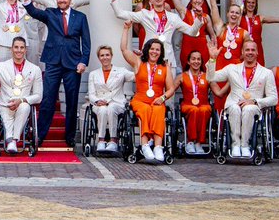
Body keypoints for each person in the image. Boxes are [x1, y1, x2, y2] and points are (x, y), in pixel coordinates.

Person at [25, 0, 90, 147]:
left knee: (72, 100)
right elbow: (34, 12)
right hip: (53, 62)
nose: (62, 1)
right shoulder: (51, 13)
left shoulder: (80, 17)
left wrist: (83, 61)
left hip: (73, 64)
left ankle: (70, 136)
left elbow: (86, 42)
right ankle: (40, 135)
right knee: (48, 99)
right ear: (56, 0)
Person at [206, 39, 277, 158]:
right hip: (234, 103)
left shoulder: (266, 73)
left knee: (249, 109)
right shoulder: (231, 68)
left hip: (254, 107)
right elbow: (211, 77)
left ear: (257, 52)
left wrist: (254, 101)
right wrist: (212, 59)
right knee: (235, 108)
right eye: (247, 50)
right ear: (242, 52)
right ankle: (235, 145)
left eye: (253, 50)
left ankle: (245, 145)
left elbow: (273, 98)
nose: (250, 52)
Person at [118, 26, 175, 163]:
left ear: (161, 52)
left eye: (157, 49)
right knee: (145, 110)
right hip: (140, 100)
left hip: (157, 100)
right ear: (147, 50)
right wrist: (125, 29)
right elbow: (124, 49)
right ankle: (144, 145)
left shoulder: (164, 67)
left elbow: (171, 89)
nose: (154, 52)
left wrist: (162, 98)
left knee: (158, 110)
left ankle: (158, 147)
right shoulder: (139, 62)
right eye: (152, 48)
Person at [110, 0, 200, 68]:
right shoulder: (145, 14)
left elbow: (192, 32)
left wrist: (199, 18)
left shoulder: (174, 18)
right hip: (149, 59)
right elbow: (120, 13)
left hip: (168, 60)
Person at [0, 37, 43, 154]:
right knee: (6, 108)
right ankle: (10, 140)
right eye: (16, 47)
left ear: (25, 50)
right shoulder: (1, 66)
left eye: (22, 47)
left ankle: (13, 140)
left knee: (25, 106)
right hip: (6, 104)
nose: (19, 50)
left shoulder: (35, 69)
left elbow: (38, 96)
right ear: (11, 49)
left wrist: (21, 100)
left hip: (23, 105)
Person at [86, 44, 130, 154]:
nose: (105, 57)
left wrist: (138, 60)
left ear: (111, 56)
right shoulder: (93, 74)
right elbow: (91, 94)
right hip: (99, 103)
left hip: (117, 103)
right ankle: (101, 140)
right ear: (99, 57)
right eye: (102, 55)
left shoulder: (121, 71)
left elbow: (137, 76)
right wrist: (97, 101)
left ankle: (113, 140)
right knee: (102, 109)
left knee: (111, 108)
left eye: (107, 55)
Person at [238, 0, 279, 66]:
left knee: (259, 71)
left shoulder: (260, 18)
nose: (251, 4)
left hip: (257, 50)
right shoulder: (240, 18)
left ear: (256, 4)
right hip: (244, 49)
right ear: (245, 3)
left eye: (253, 2)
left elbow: (277, 19)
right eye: (249, 2)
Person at [179, 48, 213, 155]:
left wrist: (230, 83)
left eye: (199, 59)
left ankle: (199, 143)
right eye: (193, 59)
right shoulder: (182, 76)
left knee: (203, 110)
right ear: (188, 61)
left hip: (204, 105)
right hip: (188, 105)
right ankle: (190, 141)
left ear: (202, 62)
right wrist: (162, 98)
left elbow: (218, 92)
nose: (196, 61)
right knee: (194, 110)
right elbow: (170, 89)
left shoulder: (207, 76)